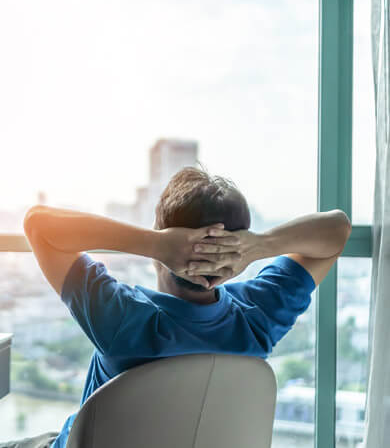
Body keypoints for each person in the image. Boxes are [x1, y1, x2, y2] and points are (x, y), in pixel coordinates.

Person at [2, 167, 351, 448]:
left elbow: (38, 224)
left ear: (163, 235)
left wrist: (154, 243)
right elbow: (338, 228)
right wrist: (260, 246)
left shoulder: (124, 319)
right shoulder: (257, 318)